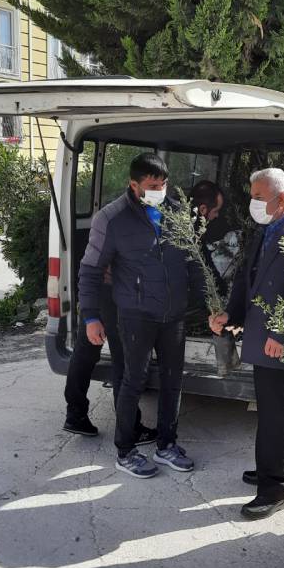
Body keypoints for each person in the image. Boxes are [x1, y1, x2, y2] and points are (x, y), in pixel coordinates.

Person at [78, 153, 205, 478]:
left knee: (173, 381)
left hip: (173, 314)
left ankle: (166, 445)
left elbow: (193, 261)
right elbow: (90, 270)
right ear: (133, 185)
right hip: (135, 315)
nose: (160, 190)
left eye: (163, 184)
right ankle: (125, 450)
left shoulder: (176, 212)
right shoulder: (112, 218)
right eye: (152, 185)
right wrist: (91, 316)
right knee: (133, 381)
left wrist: (207, 301)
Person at [210, 168, 284, 520]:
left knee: (276, 419)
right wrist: (231, 314)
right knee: (274, 414)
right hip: (264, 339)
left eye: (258, 197)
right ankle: (283, 469)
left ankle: (274, 489)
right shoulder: (265, 232)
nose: (253, 203)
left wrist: (281, 334)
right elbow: (248, 280)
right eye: (253, 196)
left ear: (281, 199)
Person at [62, 265, 157, 444]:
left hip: (95, 290)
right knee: (123, 361)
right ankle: (130, 428)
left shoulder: (98, 236)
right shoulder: (120, 235)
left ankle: (75, 415)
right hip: (117, 291)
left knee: (84, 354)